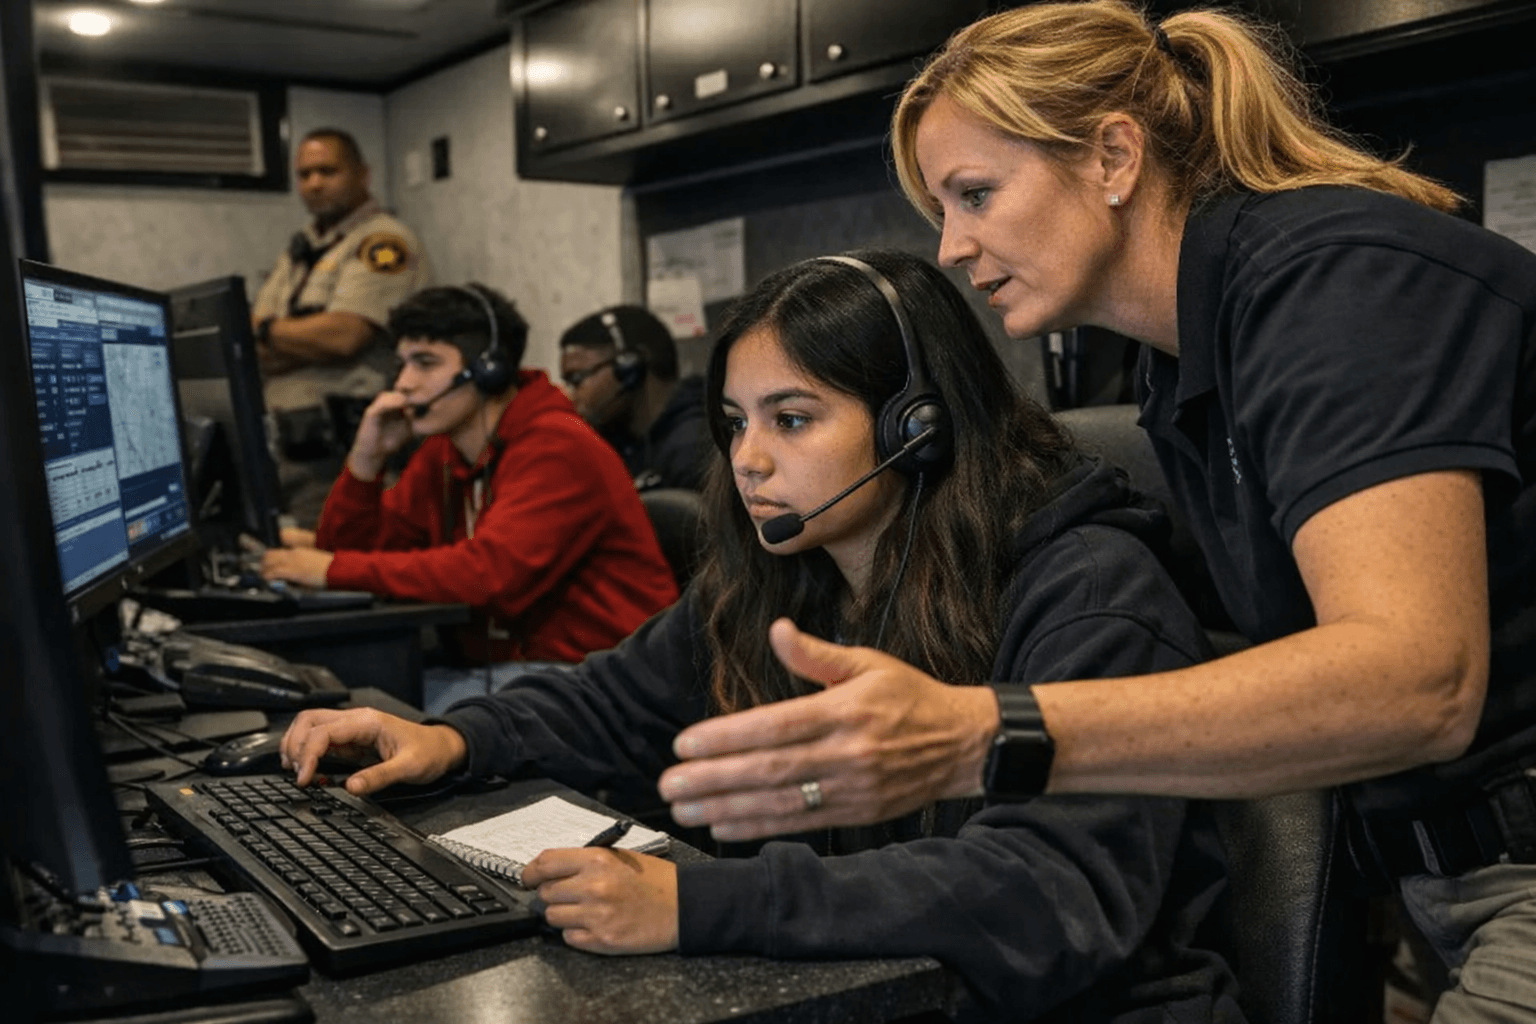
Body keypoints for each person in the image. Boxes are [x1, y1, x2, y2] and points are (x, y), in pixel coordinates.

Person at [650, 3, 1536, 1020]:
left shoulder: (1336, 281)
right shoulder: (1186, 365)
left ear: (1115, 155)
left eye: (976, 194)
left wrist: (976, 733)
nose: (950, 248)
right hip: (1434, 879)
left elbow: (1419, 680)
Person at [280, 250, 1244, 1023]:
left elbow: (1042, 890)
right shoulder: (790, 573)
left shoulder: (1092, 589)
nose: (748, 459)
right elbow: (615, 700)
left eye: (792, 419)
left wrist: (695, 905)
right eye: (737, 422)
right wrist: (453, 739)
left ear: (920, 428)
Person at [260, 283, 678, 675]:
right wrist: (365, 462)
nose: (404, 384)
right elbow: (350, 549)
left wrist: (332, 571)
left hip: (599, 678)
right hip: (514, 673)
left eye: (425, 363)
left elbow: (489, 576)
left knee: (369, 711)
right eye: (401, 365)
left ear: (489, 371)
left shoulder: (557, 445)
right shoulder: (444, 451)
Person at [251, 127, 432, 525]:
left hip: (345, 454)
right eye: (304, 174)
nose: (314, 184)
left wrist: (268, 331)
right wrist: (297, 339)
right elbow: (246, 349)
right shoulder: (301, 249)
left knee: (337, 566)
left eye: (328, 171)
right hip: (289, 448)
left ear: (363, 175)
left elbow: (345, 336)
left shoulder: (383, 242)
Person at [558, 304, 710, 490]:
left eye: (577, 379)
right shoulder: (619, 443)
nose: (570, 395)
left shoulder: (692, 450)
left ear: (630, 369)